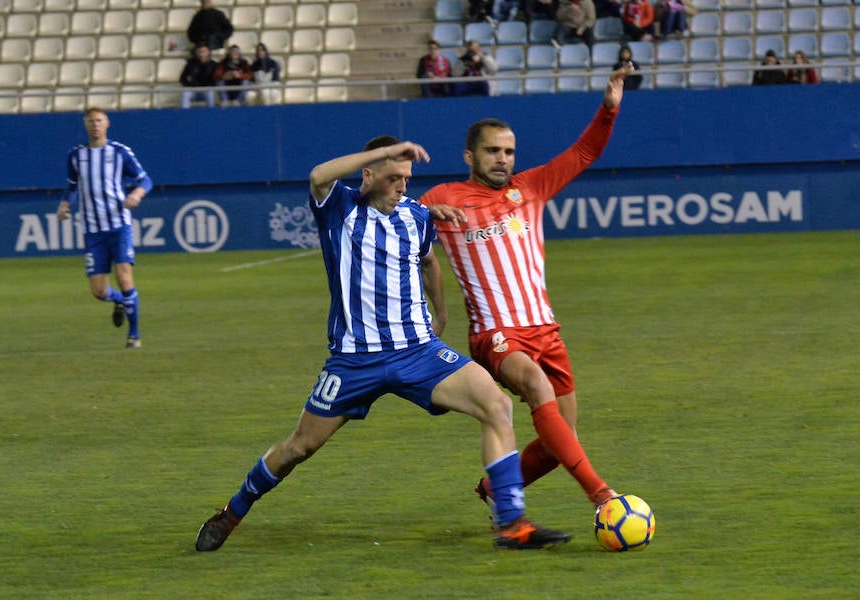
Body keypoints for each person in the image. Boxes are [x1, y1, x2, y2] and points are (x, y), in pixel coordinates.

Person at [194, 136, 572, 553]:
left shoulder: (417, 216)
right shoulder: (338, 208)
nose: (402, 188)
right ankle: (233, 511)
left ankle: (512, 523)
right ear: (369, 174)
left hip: (418, 352)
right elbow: (319, 174)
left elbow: (428, 260)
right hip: (354, 361)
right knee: (298, 447)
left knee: (496, 405)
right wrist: (383, 154)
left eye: (407, 179)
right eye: (393, 178)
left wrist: (440, 311)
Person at [419, 65, 633, 522]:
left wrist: (609, 108)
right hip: (495, 333)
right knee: (537, 389)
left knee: (563, 436)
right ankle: (603, 497)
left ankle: (495, 487)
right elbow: (393, 226)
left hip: (545, 329)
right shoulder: (444, 197)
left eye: (509, 151)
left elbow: (583, 153)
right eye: (493, 151)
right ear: (470, 157)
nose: (503, 159)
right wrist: (421, 216)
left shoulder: (531, 187)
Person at [56, 107, 152, 350]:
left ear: (107, 123)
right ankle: (119, 301)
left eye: (99, 120)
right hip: (92, 229)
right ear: (85, 125)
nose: (95, 125)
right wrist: (65, 204)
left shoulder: (119, 152)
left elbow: (145, 179)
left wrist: (137, 194)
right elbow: (72, 185)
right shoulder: (76, 156)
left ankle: (134, 335)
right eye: (90, 121)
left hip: (119, 224)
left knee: (123, 276)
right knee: (99, 291)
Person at [179, 43, 217, 108]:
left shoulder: (213, 65)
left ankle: (211, 114)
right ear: (196, 52)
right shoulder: (190, 64)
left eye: (203, 52)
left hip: (206, 90)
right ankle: (185, 114)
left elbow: (216, 80)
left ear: (208, 52)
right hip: (193, 90)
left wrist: (208, 86)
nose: (201, 54)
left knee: (210, 94)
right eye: (199, 52)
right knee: (185, 94)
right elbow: (182, 79)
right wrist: (190, 86)